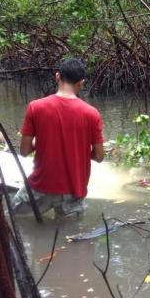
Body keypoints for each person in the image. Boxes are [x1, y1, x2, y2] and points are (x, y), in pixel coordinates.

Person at [12, 58, 105, 217]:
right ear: (81, 83)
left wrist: (41, 141)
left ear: (57, 77)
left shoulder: (35, 107)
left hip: (41, 187)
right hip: (73, 191)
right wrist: (78, 148)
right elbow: (99, 156)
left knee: (14, 218)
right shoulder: (92, 114)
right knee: (71, 237)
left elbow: (24, 151)